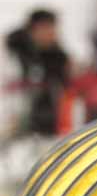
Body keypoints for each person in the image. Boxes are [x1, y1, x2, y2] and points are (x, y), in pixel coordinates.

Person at [4, 8, 70, 136]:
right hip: (14, 122)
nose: (50, 33)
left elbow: (64, 89)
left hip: (47, 125)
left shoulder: (57, 57)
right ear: (32, 30)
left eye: (52, 29)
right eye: (45, 28)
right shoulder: (13, 55)